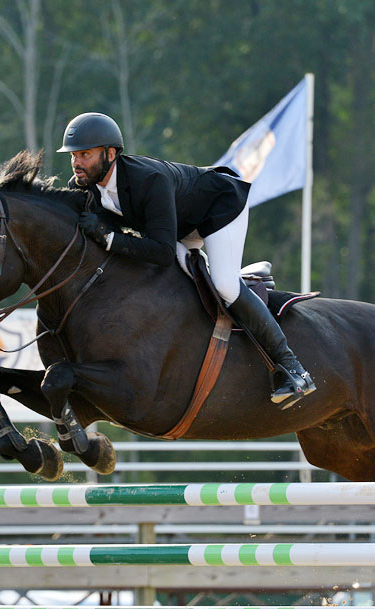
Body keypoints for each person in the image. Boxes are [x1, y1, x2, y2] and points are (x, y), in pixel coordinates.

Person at [57, 112, 315, 407]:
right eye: (74, 155)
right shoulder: (83, 185)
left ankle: (293, 367)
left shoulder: (147, 180)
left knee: (225, 285)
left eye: (85, 155)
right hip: (177, 225)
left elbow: (162, 252)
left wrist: (110, 238)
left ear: (110, 153)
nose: (77, 163)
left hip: (218, 208)